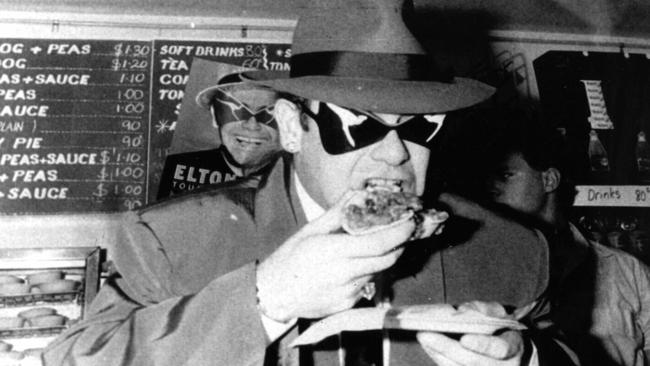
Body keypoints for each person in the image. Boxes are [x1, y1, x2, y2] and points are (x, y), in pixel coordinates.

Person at [44, 1, 575, 365]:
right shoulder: (173, 241)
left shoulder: (512, 249)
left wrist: (524, 357)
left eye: (418, 129)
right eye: (359, 124)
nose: (394, 153)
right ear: (295, 127)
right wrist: (264, 298)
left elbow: (566, 351)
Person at [482, 107, 650, 366]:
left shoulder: (626, 270)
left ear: (549, 180)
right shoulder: (487, 270)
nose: (492, 187)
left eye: (505, 175)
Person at [157, 72, 282, 199]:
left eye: (268, 114)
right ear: (215, 116)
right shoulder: (168, 170)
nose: (252, 125)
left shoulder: (296, 182)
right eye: (238, 110)